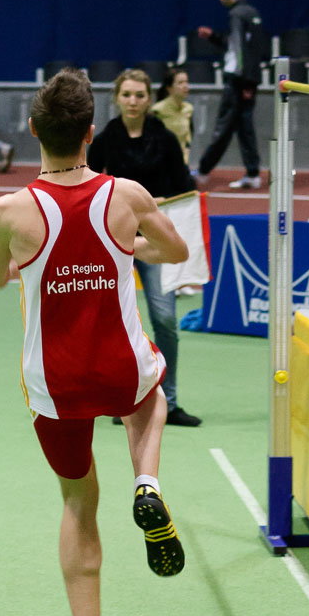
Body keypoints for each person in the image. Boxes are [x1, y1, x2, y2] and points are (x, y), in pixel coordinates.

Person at [0, 69, 188, 616]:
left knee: (78, 502)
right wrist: (131, 253)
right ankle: (148, 482)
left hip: (56, 384)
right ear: (91, 133)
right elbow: (176, 252)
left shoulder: (9, 210)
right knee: (150, 403)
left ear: (32, 131)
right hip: (121, 365)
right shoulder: (126, 195)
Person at [87, 68, 201, 427]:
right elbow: (87, 182)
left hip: (154, 240)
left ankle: (172, 399)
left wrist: (166, 204)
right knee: (116, 323)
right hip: (116, 240)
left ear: (149, 99)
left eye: (139, 95)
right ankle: (126, 400)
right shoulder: (106, 138)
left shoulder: (164, 138)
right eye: (127, 95)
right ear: (117, 99)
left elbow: (184, 186)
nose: (133, 101)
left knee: (165, 318)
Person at [195, 0, 264, 189]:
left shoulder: (236, 14)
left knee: (223, 128)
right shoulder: (252, 13)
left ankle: (203, 172)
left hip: (238, 83)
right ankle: (253, 174)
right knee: (245, 128)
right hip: (248, 81)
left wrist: (244, 83)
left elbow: (239, 51)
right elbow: (247, 48)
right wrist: (214, 37)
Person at [152, 67, 194, 164]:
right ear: (169, 88)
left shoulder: (189, 109)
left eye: (186, 82)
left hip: (182, 162)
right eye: (180, 83)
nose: (185, 86)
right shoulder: (158, 110)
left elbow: (189, 136)